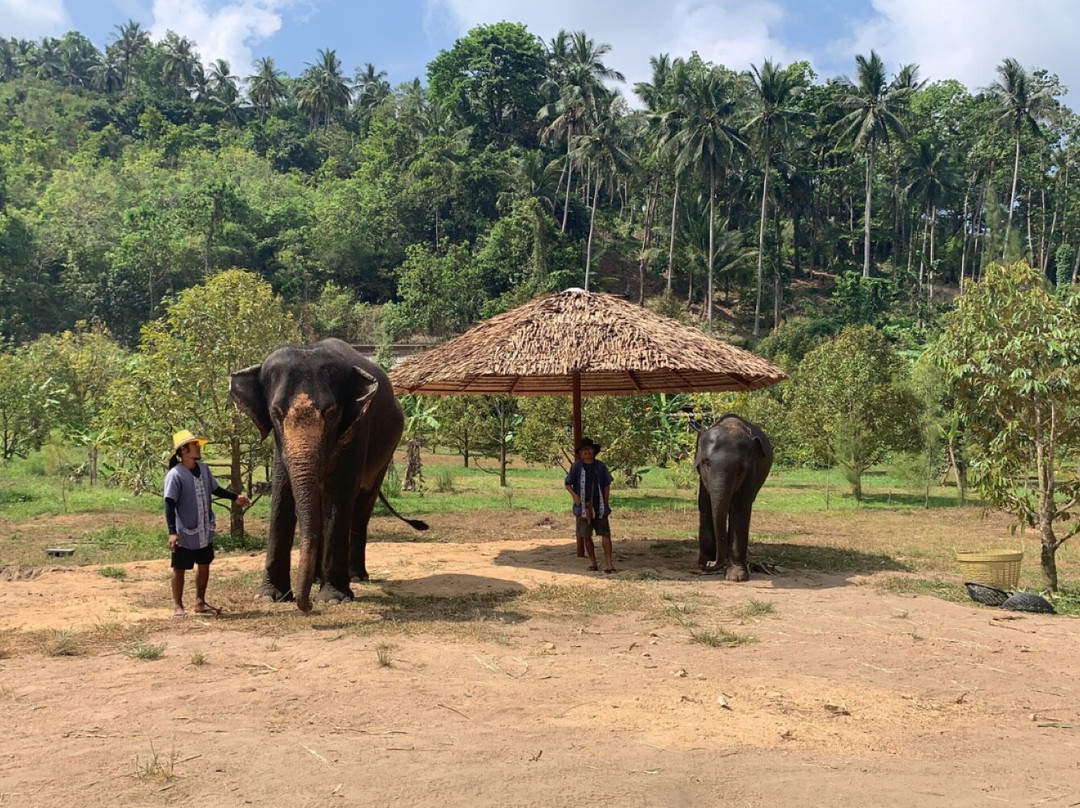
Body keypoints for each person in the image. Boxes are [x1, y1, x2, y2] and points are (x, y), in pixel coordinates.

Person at [164, 429, 251, 618]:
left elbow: (215, 489)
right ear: (184, 450)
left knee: (204, 564)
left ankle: (200, 602)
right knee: (179, 568)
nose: (197, 447)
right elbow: (169, 504)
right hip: (184, 532)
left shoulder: (203, 469)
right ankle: (178, 606)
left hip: (204, 529)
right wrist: (172, 532)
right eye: (194, 445)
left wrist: (235, 497)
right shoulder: (175, 475)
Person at [564, 437, 615, 573]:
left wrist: (605, 502)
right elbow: (568, 483)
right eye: (584, 450)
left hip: (599, 505)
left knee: (605, 533)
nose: (587, 452)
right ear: (580, 453)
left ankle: (609, 564)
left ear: (593, 451)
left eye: (589, 449)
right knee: (586, 535)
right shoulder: (576, 467)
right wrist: (575, 497)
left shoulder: (600, 466)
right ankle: (593, 563)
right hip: (583, 506)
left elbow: (606, 485)